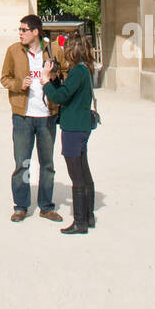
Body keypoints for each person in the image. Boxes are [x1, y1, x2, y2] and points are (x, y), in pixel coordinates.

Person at [0, 14, 63, 223]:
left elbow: (66, 74)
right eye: (20, 30)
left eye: (24, 30)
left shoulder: (54, 51)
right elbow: (4, 78)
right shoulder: (13, 51)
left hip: (47, 115)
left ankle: (46, 206)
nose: (20, 33)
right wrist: (20, 85)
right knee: (22, 162)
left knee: (47, 164)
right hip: (23, 115)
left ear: (36, 32)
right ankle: (21, 205)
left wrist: (53, 77)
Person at [41, 34, 97, 234]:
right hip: (82, 125)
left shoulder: (76, 72)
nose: (64, 54)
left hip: (73, 127)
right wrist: (55, 80)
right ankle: (88, 216)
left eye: (66, 50)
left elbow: (59, 97)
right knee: (84, 170)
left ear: (72, 51)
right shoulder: (84, 70)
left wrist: (46, 82)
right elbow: (67, 93)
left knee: (76, 175)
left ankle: (80, 221)